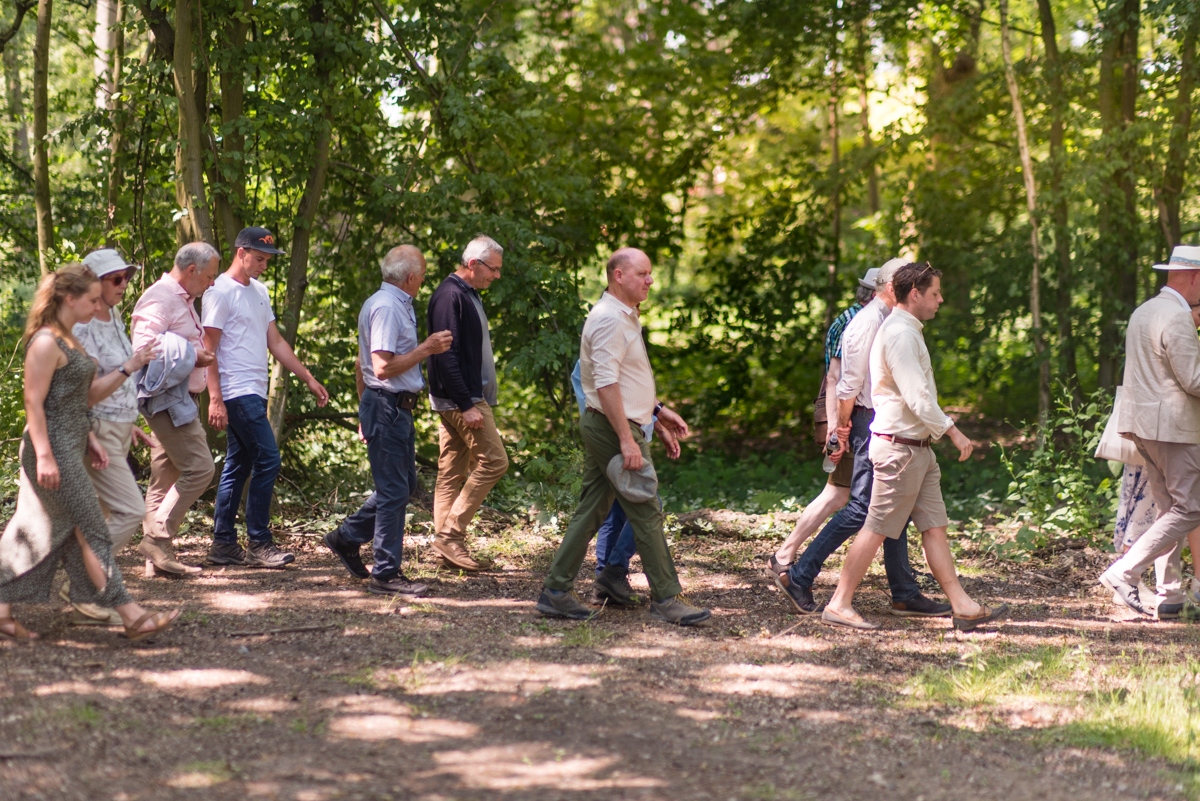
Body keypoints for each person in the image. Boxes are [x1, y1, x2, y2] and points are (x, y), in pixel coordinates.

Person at [819, 262, 1009, 631]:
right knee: (875, 527)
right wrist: (953, 431)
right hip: (899, 450)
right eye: (935, 293)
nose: (941, 299)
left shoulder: (908, 330)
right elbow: (918, 396)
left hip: (919, 449)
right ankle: (839, 604)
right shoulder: (900, 334)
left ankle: (962, 606)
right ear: (916, 294)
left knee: (934, 526)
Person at [0, 264, 180, 642]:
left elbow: (77, 399)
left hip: (72, 442)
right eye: (93, 299)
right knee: (92, 530)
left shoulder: (69, 339)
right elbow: (34, 403)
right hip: (52, 449)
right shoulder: (45, 342)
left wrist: (90, 436)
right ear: (70, 298)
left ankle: (2, 612)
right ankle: (132, 615)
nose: (99, 306)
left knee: (38, 531)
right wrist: (45, 456)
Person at [536, 247, 709, 626]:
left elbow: (626, 380)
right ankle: (666, 598)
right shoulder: (609, 319)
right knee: (645, 509)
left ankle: (556, 591)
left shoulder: (624, 315)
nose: (650, 280)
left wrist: (658, 414)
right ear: (618, 275)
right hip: (613, 427)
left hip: (614, 424)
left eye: (650, 273)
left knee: (592, 509)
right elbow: (606, 383)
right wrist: (627, 440)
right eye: (642, 274)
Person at [775, 259, 950, 618]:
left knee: (894, 506)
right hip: (865, 422)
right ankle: (799, 575)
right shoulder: (866, 323)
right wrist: (840, 430)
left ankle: (904, 592)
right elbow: (846, 384)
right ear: (891, 287)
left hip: (879, 421)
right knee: (862, 508)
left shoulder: (890, 320)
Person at [324, 245, 452, 597]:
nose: (423, 280)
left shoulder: (394, 304)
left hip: (390, 407)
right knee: (395, 490)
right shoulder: (387, 307)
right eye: (422, 275)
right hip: (388, 406)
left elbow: (361, 363)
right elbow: (381, 367)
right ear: (410, 277)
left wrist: (364, 407)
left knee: (403, 485)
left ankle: (346, 537)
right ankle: (385, 572)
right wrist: (427, 348)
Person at [202, 227, 329, 568]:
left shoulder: (260, 291)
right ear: (240, 253)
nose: (263, 265)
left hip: (255, 390)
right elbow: (208, 349)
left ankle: (223, 544)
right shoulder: (218, 292)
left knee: (238, 465)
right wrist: (215, 398)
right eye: (259, 258)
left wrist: (308, 378)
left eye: (268, 260)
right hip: (236, 390)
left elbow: (276, 342)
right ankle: (259, 542)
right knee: (269, 460)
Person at [1100, 245, 1200, 619]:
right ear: (1195, 277)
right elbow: (1193, 380)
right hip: (1173, 429)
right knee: (1191, 508)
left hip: (1143, 427)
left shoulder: (1144, 311)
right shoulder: (1177, 317)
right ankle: (1125, 572)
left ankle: (1169, 595)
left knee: (1170, 509)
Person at [766, 268, 876, 579]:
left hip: (846, 416)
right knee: (838, 493)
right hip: (849, 417)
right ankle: (784, 555)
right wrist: (835, 427)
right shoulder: (858, 322)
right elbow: (835, 378)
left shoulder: (848, 318)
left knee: (838, 493)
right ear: (875, 294)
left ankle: (784, 554)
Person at [68, 249, 158, 624]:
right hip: (97, 431)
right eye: (116, 279)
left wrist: (129, 419)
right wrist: (130, 366)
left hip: (118, 428)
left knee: (101, 516)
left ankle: (85, 597)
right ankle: (83, 582)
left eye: (127, 278)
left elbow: (113, 385)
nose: (124, 285)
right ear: (94, 282)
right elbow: (87, 393)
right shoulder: (82, 327)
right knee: (132, 510)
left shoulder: (114, 315)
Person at [131, 242, 219, 576]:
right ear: (192, 270)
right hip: (168, 402)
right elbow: (144, 349)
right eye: (209, 276)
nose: (212, 282)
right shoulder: (160, 298)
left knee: (164, 477)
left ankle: (156, 560)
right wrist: (193, 356)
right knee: (201, 468)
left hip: (178, 399)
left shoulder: (183, 299)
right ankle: (156, 539)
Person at [426, 235, 509, 572]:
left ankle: (445, 550)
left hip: (459, 397)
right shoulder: (450, 295)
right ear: (473, 264)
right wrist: (466, 404)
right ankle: (450, 536)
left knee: (451, 472)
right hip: (461, 399)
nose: (497, 275)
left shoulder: (467, 293)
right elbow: (445, 356)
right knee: (495, 461)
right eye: (493, 269)